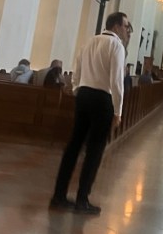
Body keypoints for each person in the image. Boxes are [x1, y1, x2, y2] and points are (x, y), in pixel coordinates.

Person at [50, 12, 132, 215]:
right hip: (102, 99)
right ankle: (82, 199)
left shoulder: (88, 42)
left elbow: (75, 71)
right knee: (95, 150)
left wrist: (78, 90)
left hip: (84, 96)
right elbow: (117, 82)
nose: (127, 30)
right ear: (115, 26)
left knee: (74, 146)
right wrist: (118, 111)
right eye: (125, 26)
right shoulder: (116, 46)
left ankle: (59, 195)